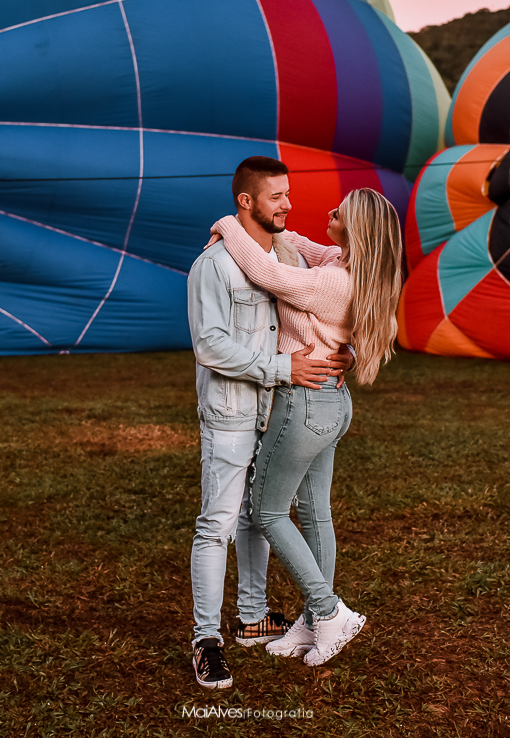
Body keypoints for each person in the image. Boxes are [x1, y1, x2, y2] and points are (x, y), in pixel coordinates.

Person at [208, 186, 403, 667]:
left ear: (354, 231)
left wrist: (230, 224)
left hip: (303, 405)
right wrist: (267, 225)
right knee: (316, 514)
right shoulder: (344, 264)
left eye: (341, 212)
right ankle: (314, 624)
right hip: (331, 403)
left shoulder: (333, 283)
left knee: (268, 511)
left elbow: (267, 272)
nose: (330, 210)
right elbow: (293, 243)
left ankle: (329, 610)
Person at [186, 156, 353, 689]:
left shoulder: (283, 253)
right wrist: (285, 367)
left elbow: (323, 309)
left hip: (275, 409)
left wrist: (344, 351)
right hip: (233, 409)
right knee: (217, 523)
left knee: (257, 518)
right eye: (277, 196)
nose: (288, 204)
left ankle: (252, 619)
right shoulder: (214, 264)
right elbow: (211, 344)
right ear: (246, 201)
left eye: (288, 194)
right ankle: (205, 639)